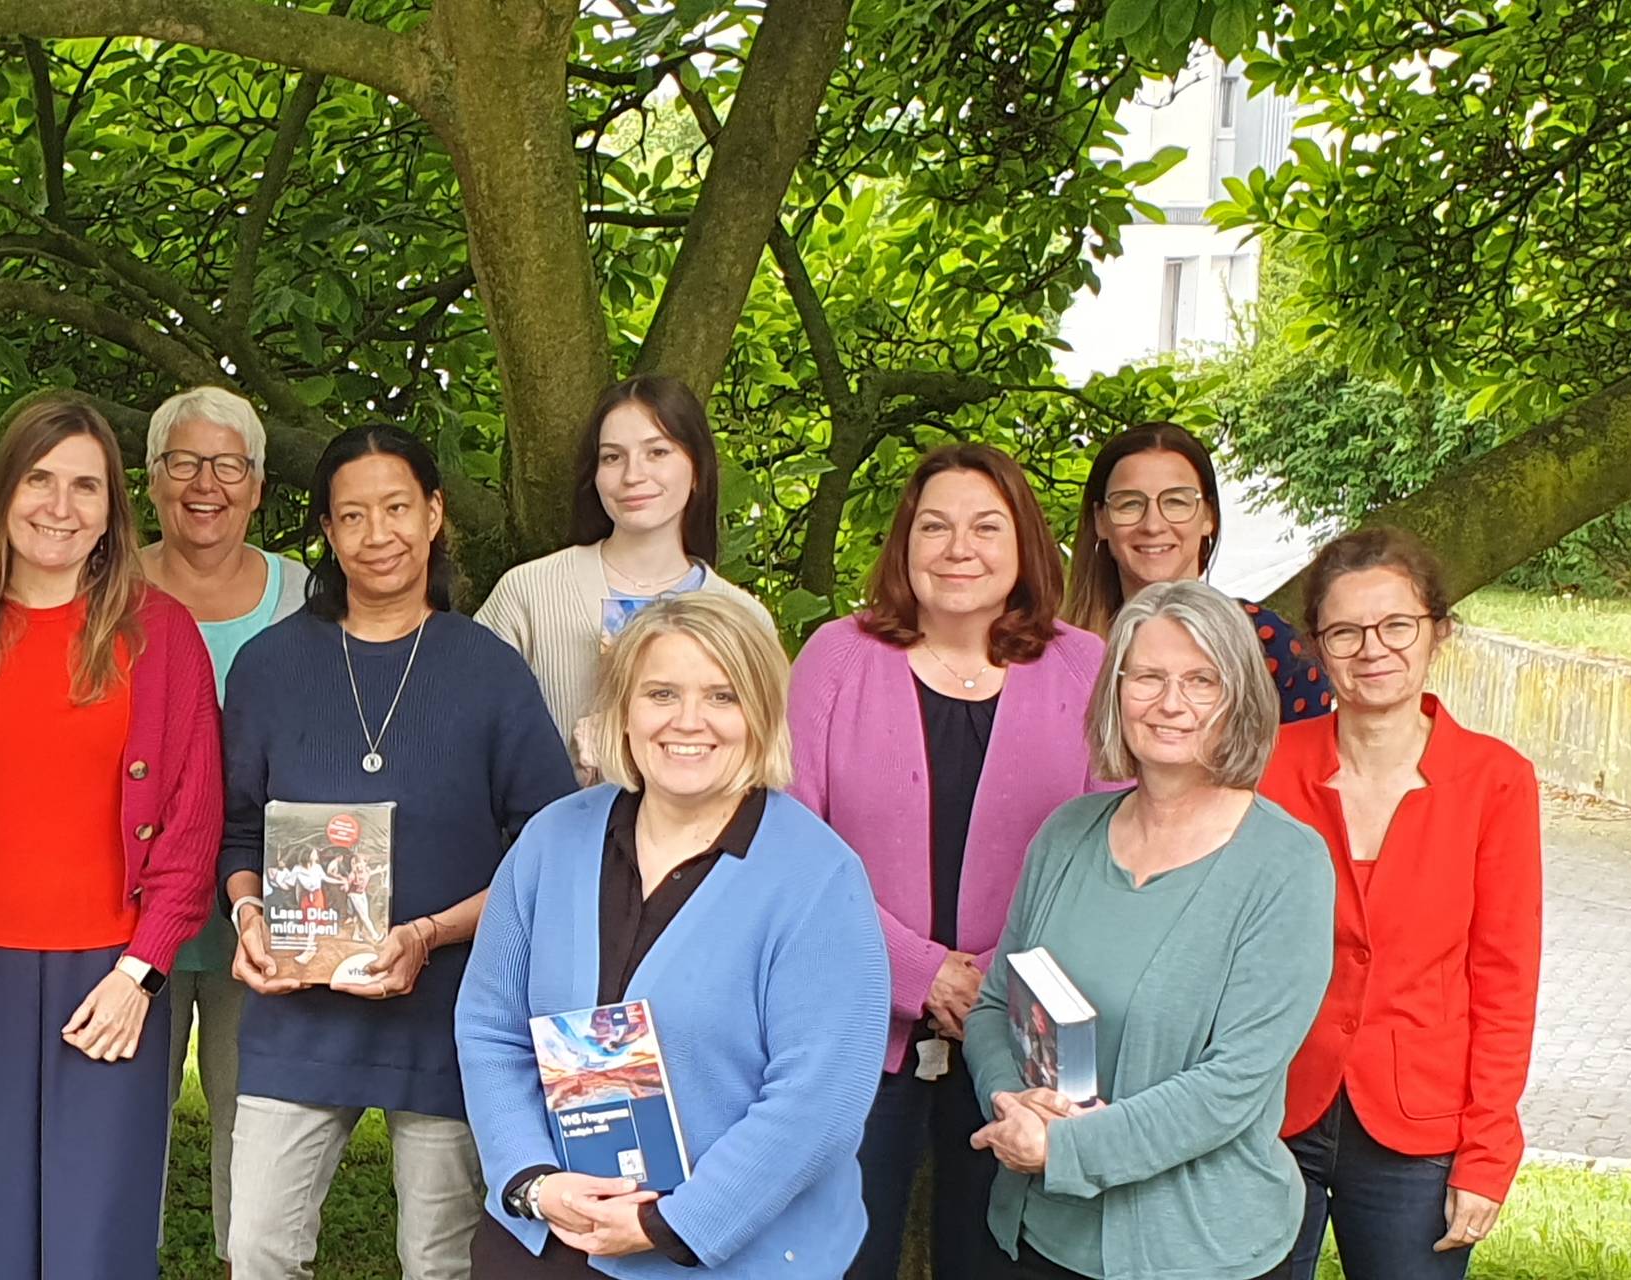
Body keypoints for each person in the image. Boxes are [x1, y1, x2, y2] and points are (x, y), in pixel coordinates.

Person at [221, 424, 579, 1280]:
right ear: (327, 533)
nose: (376, 535)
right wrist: (247, 913)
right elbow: (236, 828)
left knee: (440, 1262)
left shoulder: (489, 670)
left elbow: (549, 849)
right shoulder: (269, 667)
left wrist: (429, 933)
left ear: (434, 515)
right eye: (351, 516)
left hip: (451, 1011)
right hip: (297, 1009)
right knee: (257, 1247)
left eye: (395, 509)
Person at [459, 593, 891, 1277]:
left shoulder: (819, 877)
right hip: (550, 1233)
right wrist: (533, 1179)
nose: (688, 721)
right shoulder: (551, 841)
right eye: (661, 693)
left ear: (761, 713)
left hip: (725, 1253)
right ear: (623, 710)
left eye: (722, 695)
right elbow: (491, 1027)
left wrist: (668, 1223)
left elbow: (820, 1100)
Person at [0, 395, 224, 1279]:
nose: (60, 505)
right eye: (40, 480)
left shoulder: (161, 637)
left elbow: (192, 832)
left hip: (108, 981)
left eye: (86, 486)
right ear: (3, 493)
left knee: (96, 1244)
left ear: (114, 509)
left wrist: (142, 972)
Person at [785, 444, 1109, 1280]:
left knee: (994, 1257)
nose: (958, 547)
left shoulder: (1087, 667)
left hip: (1023, 1029)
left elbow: (1107, 852)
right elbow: (791, 847)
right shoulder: (837, 657)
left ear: (1025, 543)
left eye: (984, 526)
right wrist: (923, 973)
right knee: (841, 1252)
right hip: (857, 1018)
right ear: (903, 544)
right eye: (935, 526)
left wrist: (990, 985)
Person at [960, 579, 1334, 1280]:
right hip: (1042, 1236)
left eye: (1201, 681)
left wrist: (1065, 1151)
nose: (1171, 703)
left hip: (1203, 1249)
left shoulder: (1288, 863)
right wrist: (1011, 1104)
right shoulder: (1066, 835)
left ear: (1242, 700)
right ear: (1116, 691)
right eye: (1150, 677)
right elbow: (991, 1007)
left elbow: (1234, 1083)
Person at [1260, 529, 1542, 1280]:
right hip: (1268, 1112)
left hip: (1419, 1131)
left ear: (1437, 633)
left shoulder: (1496, 782)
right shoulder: (1267, 770)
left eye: (1396, 626)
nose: (1372, 649)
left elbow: (1506, 981)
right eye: (1345, 631)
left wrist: (1488, 1151)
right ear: (1316, 648)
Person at [136, 385, 312, 1259]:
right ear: (153, 476)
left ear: (257, 482)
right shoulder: (106, 587)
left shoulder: (308, 596)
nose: (206, 484)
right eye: (184, 462)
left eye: (228, 465)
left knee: (260, 1131)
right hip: (129, 911)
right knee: (124, 1118)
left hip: (270, 915)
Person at [478, 377, 778, 775]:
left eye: (657, 452)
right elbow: (467, 735)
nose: (633, 475)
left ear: (697, 471)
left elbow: (764, 763)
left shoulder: (743, 616)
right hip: (551, 832)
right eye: (612, 457)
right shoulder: (529, 592)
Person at [1062, 422, 1333, 722]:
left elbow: (1312, 763)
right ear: (1100, 520)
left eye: (1176, 502)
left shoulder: (1269, 647)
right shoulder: (1059, 656)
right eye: (1129, 504)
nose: (1153, 525)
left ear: (1208, 517)